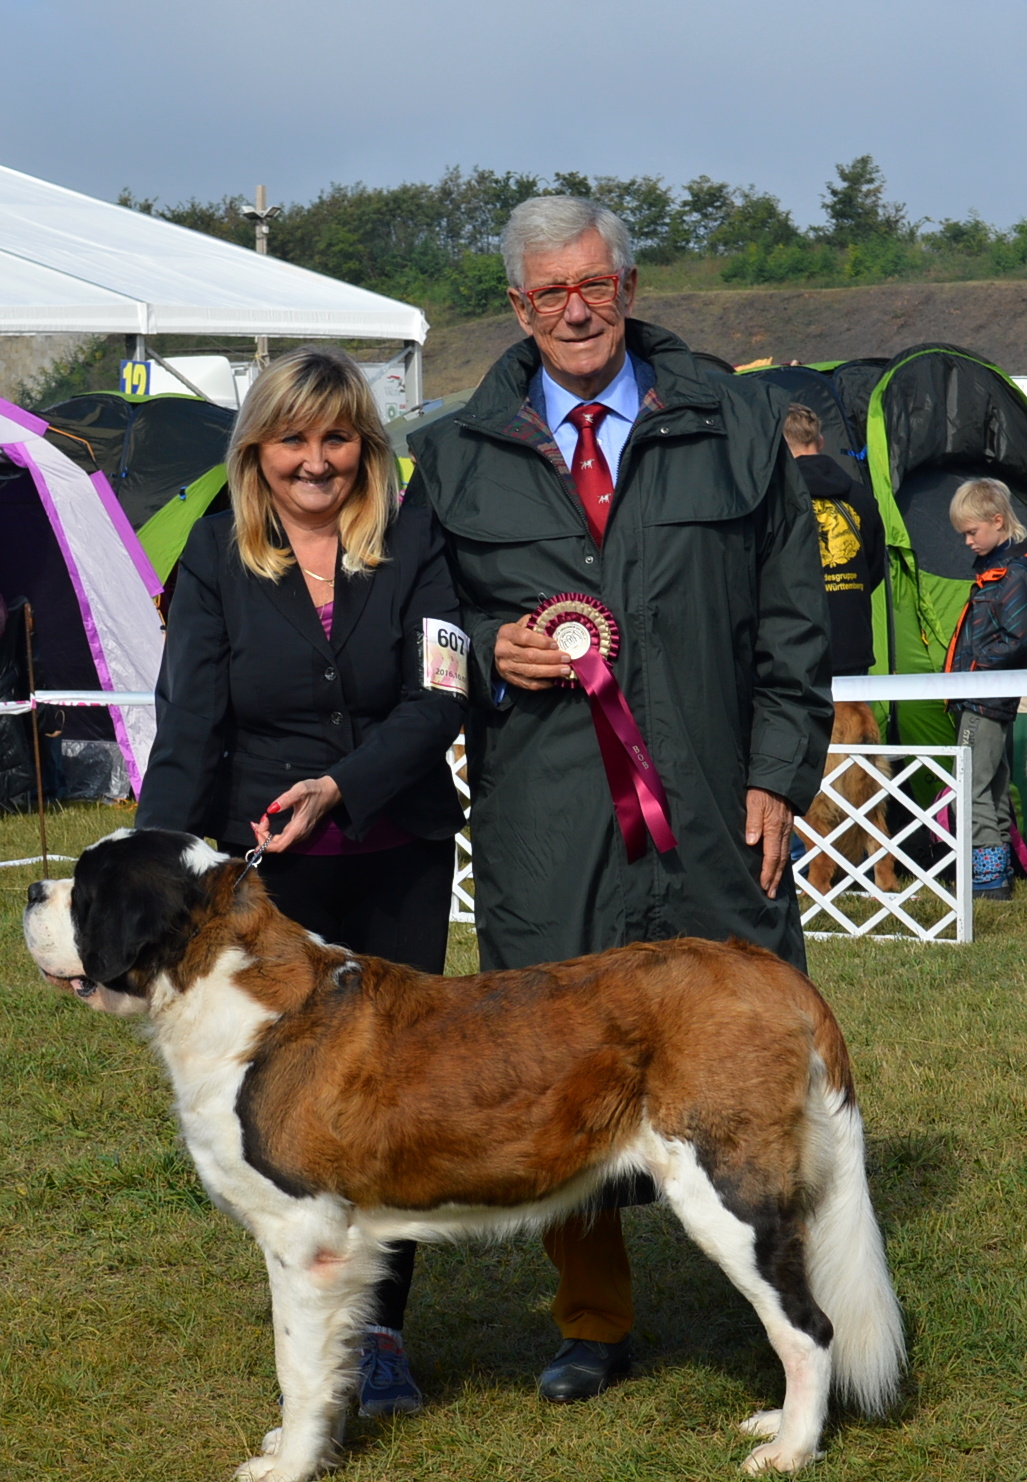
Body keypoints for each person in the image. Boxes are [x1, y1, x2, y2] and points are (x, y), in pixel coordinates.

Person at [406, 194, 831, 1405]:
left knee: (745, 1050)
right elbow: (423, 627)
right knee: (553, 1062)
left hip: (711, 804)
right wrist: (489, 651)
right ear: (517, 307)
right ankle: (591, 1319)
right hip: (547, 819)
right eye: (549, 292)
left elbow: (794, 618)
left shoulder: (734, 420)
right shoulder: (452, 451)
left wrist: (777, 773)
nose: (575, 310)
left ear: (629, 288)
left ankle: (787, 1303)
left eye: (594, 285)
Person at [135, 347, 467, 1421]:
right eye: (292, 440)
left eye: (336, 438)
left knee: (392, 1099)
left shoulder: (416, 540)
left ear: (365, 447)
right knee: (288, 1108)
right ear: (257, 452)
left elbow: (438, 698)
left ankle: (382, 1332)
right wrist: (152, 861)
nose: (315, 461)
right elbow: (190, 722)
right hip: (271, 886)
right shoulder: (211, 556)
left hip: (399, 851)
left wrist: (344, 785)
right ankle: (314, 1313)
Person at [943, 479, 1027, 900]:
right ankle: (1002, 872)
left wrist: (972, 668)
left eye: (972, 532)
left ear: (998, 521)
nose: (967, 541)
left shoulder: (1014, 574)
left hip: (985, 696)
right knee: (992, 786)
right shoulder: (999, 572)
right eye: (963, 534)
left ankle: (987, 881)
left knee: (970, 789)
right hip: (985, 694)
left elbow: (1018, 638)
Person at [782, 403, 886, 676]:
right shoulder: (860, 495)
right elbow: (874, 567)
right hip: (852, 641)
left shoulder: (775, 499)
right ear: (821, 441)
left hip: (793, 647)